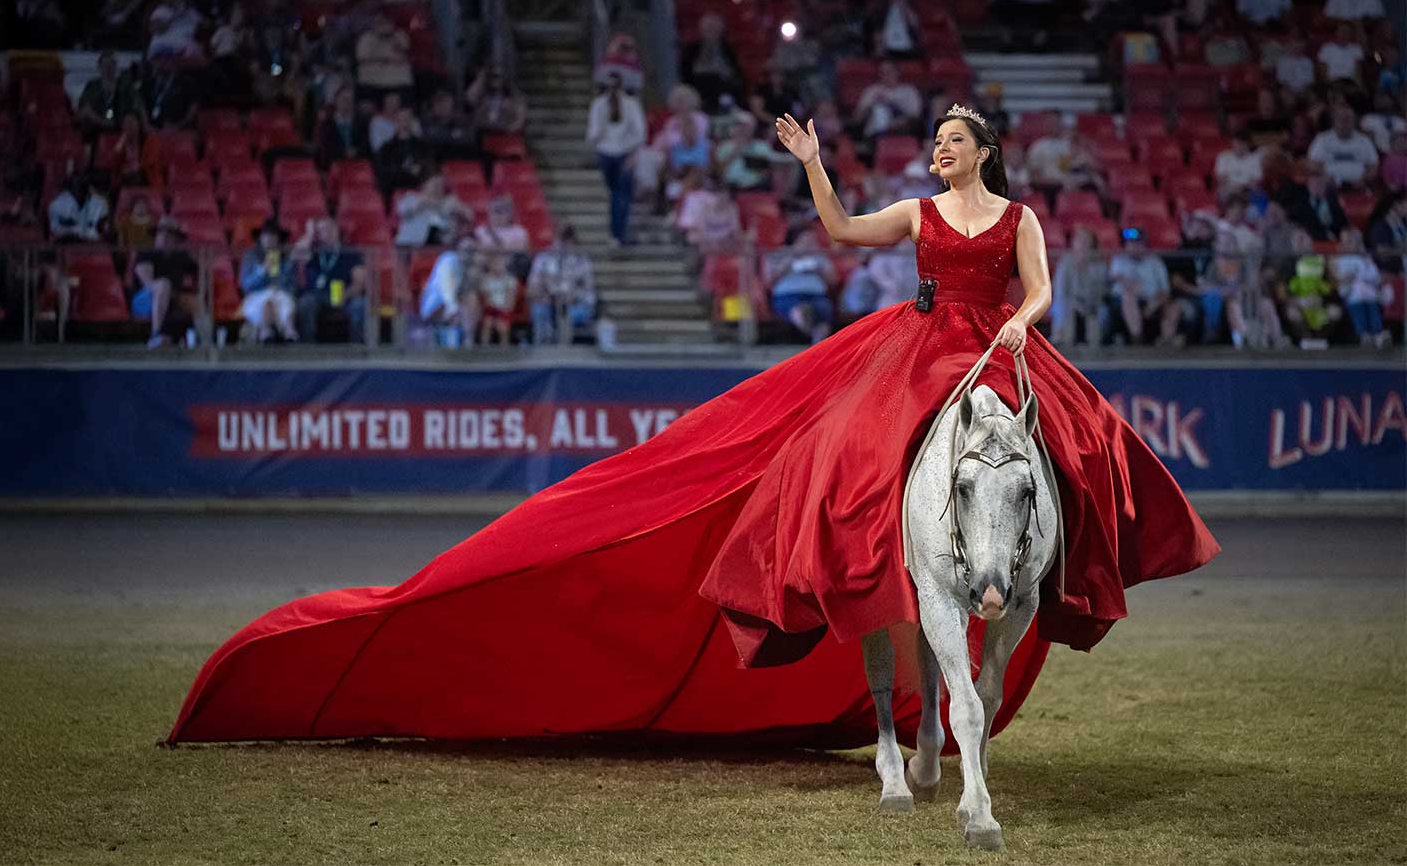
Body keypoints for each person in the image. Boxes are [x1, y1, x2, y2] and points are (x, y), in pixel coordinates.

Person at [167, 104, 1220, 775]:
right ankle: (841, 581)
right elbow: (846, 235)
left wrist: (1015, 333)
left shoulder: (1020, 215)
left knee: (1075, 456)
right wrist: (811, 163)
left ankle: (1061, 574)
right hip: (915, 348)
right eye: (934, 142)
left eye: (951, 141)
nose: (937, 150)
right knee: (839, 460)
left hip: (994, 347)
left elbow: (1041, 295)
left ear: (982, 149)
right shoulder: (917, 211)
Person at [586, 72, 645, 246]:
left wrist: (634, 154)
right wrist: (602, 128)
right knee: (615, 194)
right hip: (606, 154)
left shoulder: (631, 104)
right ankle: (615, 233)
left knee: (622, 194)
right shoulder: (598, 105)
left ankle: (618, 234)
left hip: (625, 154)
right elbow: (593, 135)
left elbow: (640, 133)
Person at [130, 216, 203, 348]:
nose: (165, 237)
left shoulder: (181, 256)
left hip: (171, 298)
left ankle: (203, 340)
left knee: (195, 301)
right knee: (163, 285)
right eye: (162, 233)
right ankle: (155, 334)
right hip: (144, 299)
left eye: (170, 234)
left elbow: (200, 269)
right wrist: (166, 289)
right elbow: (147, 283)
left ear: (176, 239)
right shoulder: (146, 252)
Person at [293, 217, 365, 344]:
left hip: (344, 293)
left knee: (360, 305)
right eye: (321, 230)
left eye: (329, 229)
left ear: (336, 230)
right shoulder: (314, 251)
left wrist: (346, 294)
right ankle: (307, 347)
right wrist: (309, 234)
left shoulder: (351, 252)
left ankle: (356, 347)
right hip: (318, 294)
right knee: (305, 303)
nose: (326, 233)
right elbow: (295, 255)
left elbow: (359, 282)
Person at [527, 225, 597, 345]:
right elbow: (531, 289)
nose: (563, 244)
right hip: (548, 302)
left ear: (573, 241)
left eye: (567, 240)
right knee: (539, 311)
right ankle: (541, 349)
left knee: (566, 316)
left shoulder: (582, 261)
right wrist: (541, 293)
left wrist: (573, 296)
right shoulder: (543, 258)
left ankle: (565, 351)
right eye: (561, 239)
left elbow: (589, 291)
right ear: (555, 239)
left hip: (575, 304)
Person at [765, 232, 837, 344]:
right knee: (799, 311)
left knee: (824, 310)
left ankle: (818, 343)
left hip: (816, 295)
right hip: (788, 296)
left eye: (812, 242)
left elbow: (833, 281)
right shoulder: (780, 255)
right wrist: (789, 262)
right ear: (795, 242)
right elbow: (769, 281)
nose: (809, 245)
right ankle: (812, 333)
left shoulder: (819, 257)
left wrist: (819, 269)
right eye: (805, 241)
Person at [238, 217, 299, 343]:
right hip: (256, 296)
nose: (269, 239)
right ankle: (266, 332)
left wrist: (279, 283)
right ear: (260, 237)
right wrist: (262, 271)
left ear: (278, 239)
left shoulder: (286, 258)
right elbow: (246, 285)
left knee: (282, 301)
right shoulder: (250, 256)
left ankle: (289, 332)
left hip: (281, 294)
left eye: (273, 235)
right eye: (266, 235)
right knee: (267, 303)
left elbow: (292, 284)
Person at [1330, 227, 1390, 348]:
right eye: (1345, 241)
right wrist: (1347, 279)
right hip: (1352, 295)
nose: (1348, 244)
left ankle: (1378, 335)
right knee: (1359, 314)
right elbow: (1338, 278)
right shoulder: (1339, 260)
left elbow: (1375, 276)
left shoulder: (1366, 258)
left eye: (1352, 241)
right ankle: (1363, 336)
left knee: (1374, 312)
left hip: (1370, 294)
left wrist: (1366, 277)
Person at [1050, 226, 1108, 347]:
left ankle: (1094, 346)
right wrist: (1074, 303)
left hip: (1089, 303)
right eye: (1080, 242)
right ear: (1074, 244)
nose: (1083, 246)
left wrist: (1087, 304)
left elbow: (1100, 292)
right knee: (1063, 307)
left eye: (1087, 243)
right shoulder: (1065, 263)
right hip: (1067, 301)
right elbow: (1060, 292)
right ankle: (1063, 343)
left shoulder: (1098, 266)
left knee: (1099, 310)